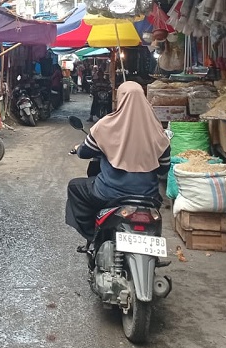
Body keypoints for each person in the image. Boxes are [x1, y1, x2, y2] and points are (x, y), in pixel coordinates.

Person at [66, 82, 170, 242]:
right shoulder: (158, 131)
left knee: (75, 187)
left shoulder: (106, 125)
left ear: (119, 99)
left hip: (110, 193)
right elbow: (163, 169)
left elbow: (85, 152)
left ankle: (93, 236)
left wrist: (78, 148)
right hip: (149, 196)